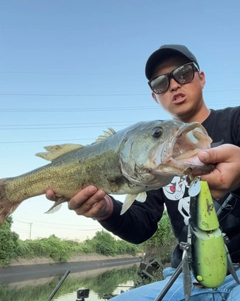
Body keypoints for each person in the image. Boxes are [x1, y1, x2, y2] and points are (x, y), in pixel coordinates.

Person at [46, 45, 240, 300]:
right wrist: (105, 211)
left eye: (183, 74)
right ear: (154, 96)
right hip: (181, 278)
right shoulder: (151, 156)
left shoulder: (235, 121)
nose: (173, 85)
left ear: (201, 78)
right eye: (160, 83)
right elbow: (142, 227)